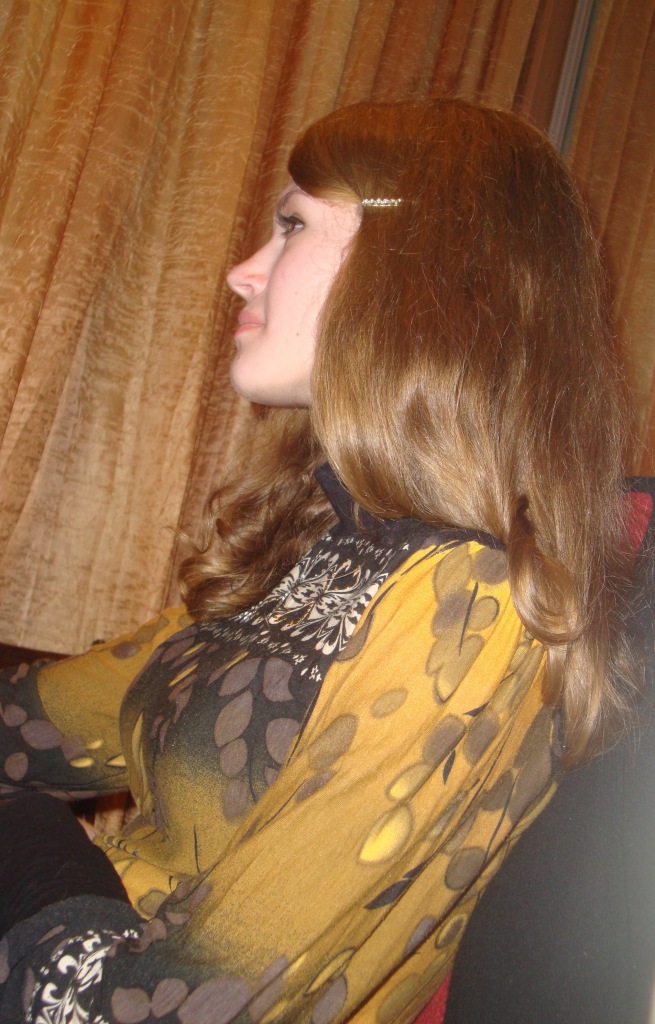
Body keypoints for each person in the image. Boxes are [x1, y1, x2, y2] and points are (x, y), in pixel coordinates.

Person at [0, 98, 635, 1024]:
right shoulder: (318, 545)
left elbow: (156, 1010)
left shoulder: (473, 605)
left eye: (292, 225)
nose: (241, 271)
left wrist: (25, 839)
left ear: (418, 271)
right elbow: (32, 725)